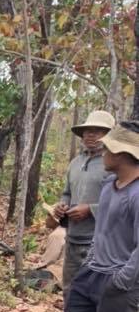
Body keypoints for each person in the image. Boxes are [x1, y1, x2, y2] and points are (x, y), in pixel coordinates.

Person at [38, 120, 139, 312]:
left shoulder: (136, 194)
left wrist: (122, 279)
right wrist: (90, 263)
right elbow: (103, 232)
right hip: (91, 270)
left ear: (122, 155)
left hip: (119, 278)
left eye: (109, 148)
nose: (102, 152)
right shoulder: (110, 187)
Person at [51, 110, 115, 292]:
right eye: (87, 130)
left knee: (95, 291)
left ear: (109, 135)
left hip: (100, 241)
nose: (90, 134)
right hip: (73, 238)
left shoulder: (113, 164)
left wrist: (91, 209)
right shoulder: (75, 163)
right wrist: (61, 206)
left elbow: (122, 202)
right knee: (70, 288)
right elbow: (67, 193)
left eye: (97, 130)